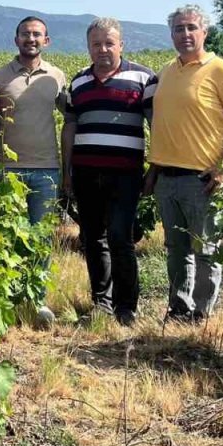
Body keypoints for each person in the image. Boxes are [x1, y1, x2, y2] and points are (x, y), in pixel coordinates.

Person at [146, 4, 223, 323]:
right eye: (179, 28)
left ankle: (202, 313)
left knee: (207, 251)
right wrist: (153, 172)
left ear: (205, 32)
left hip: (203, 178)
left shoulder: (221, 70)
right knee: (177, 251)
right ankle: (179, 308)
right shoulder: (166, 72)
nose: (185, 34)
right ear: (172, 35)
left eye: (192, 27)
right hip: (167, 178)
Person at [61, 17, 156, 326]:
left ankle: (126, 307)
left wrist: (154, 167)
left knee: (120, 237)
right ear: (89, 47)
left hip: (125, 174)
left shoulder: (144, 79)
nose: (102, 49)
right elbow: (70, 126)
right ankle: (101, 302)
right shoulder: (78, 82)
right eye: (96, 44)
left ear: (121, 45)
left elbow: (157, 125)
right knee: (92, 238)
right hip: (87, 173)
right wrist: (67, 172)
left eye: (109, 43)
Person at [0, 16, 68, 224]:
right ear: (16, 40)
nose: (31, 39)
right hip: (6, 169)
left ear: (46, 41)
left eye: (36, 34)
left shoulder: (56, 76)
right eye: (25, 34)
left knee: (41, 237)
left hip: (47, 169)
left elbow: (71, 118)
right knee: (4, 236)